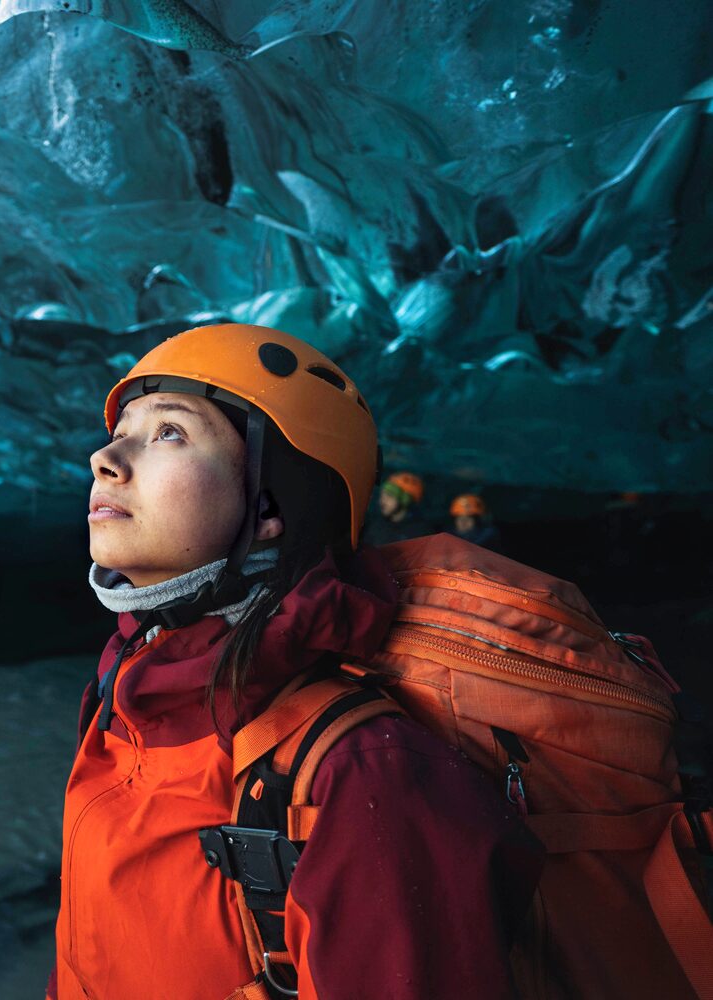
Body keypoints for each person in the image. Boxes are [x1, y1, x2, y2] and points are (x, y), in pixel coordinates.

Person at [51, 323, 542, 1000]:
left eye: (170, 432)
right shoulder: (123, 693)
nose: (105, 456)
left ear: (272, 505)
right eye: (122, 428)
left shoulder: (361, 769)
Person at [362, 470, 430, 545]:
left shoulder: (420, 533)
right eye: (382, 495)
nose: (382, 501)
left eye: (389, 496)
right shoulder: (375, 524)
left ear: (405, 500)